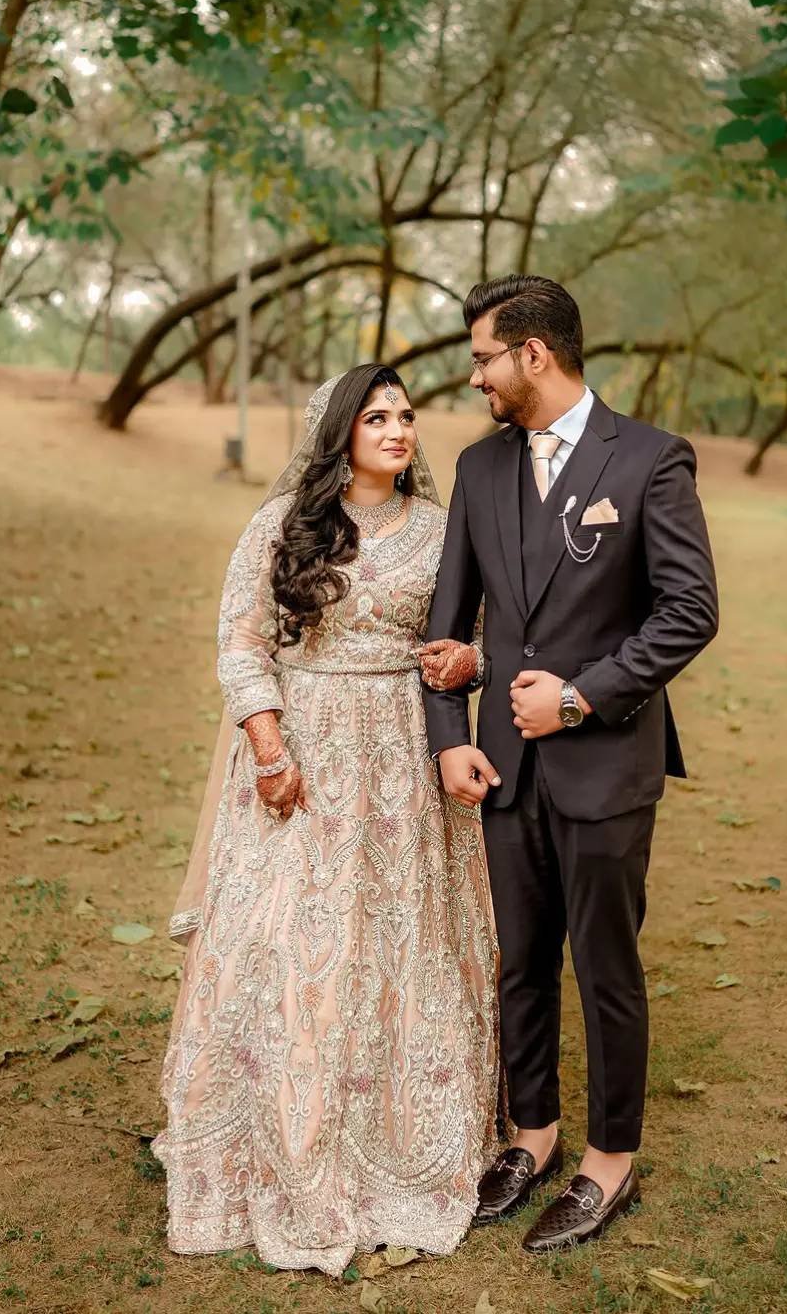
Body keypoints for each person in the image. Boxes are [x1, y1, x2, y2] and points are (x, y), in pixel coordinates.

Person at [153, 365, 499, 1277]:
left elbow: (481, 632)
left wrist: (467, 662)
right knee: (284, 936)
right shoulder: (284, 525)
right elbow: (242, 643)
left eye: (406, 415)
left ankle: (401, 1140)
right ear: (340, 431)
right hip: (301, 753)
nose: (398, 429)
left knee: (396, 938)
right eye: (376, 416)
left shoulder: (443, 529)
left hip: (402, 759)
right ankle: (267, 1135)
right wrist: (270, 752)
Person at [422, 275, 718, 1253]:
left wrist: (580, 695)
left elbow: (689, 611)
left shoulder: (649, 459)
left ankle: (609, 1160)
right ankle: (534, 1134)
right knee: (521, 961)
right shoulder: (479, 468)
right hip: (503, 767)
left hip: (606, 765)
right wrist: (450, 736)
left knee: (605, 966)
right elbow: (447, 629)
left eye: (484, 358)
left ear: (534, 353)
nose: (476, 377)